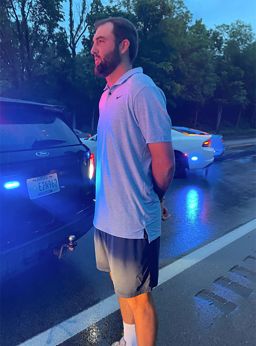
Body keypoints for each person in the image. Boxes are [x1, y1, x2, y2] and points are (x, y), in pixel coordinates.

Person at [90, 17, 175, 346]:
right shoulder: (106, 95)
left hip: (132, 222)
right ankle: (128, 340)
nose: (93, 48)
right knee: (120, 287)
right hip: (107, 218)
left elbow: (164, 164)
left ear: (122, 45)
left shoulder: (143, 90)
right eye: (94, 41)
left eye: (100, 41)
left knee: (140, 298)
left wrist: (155, 198)